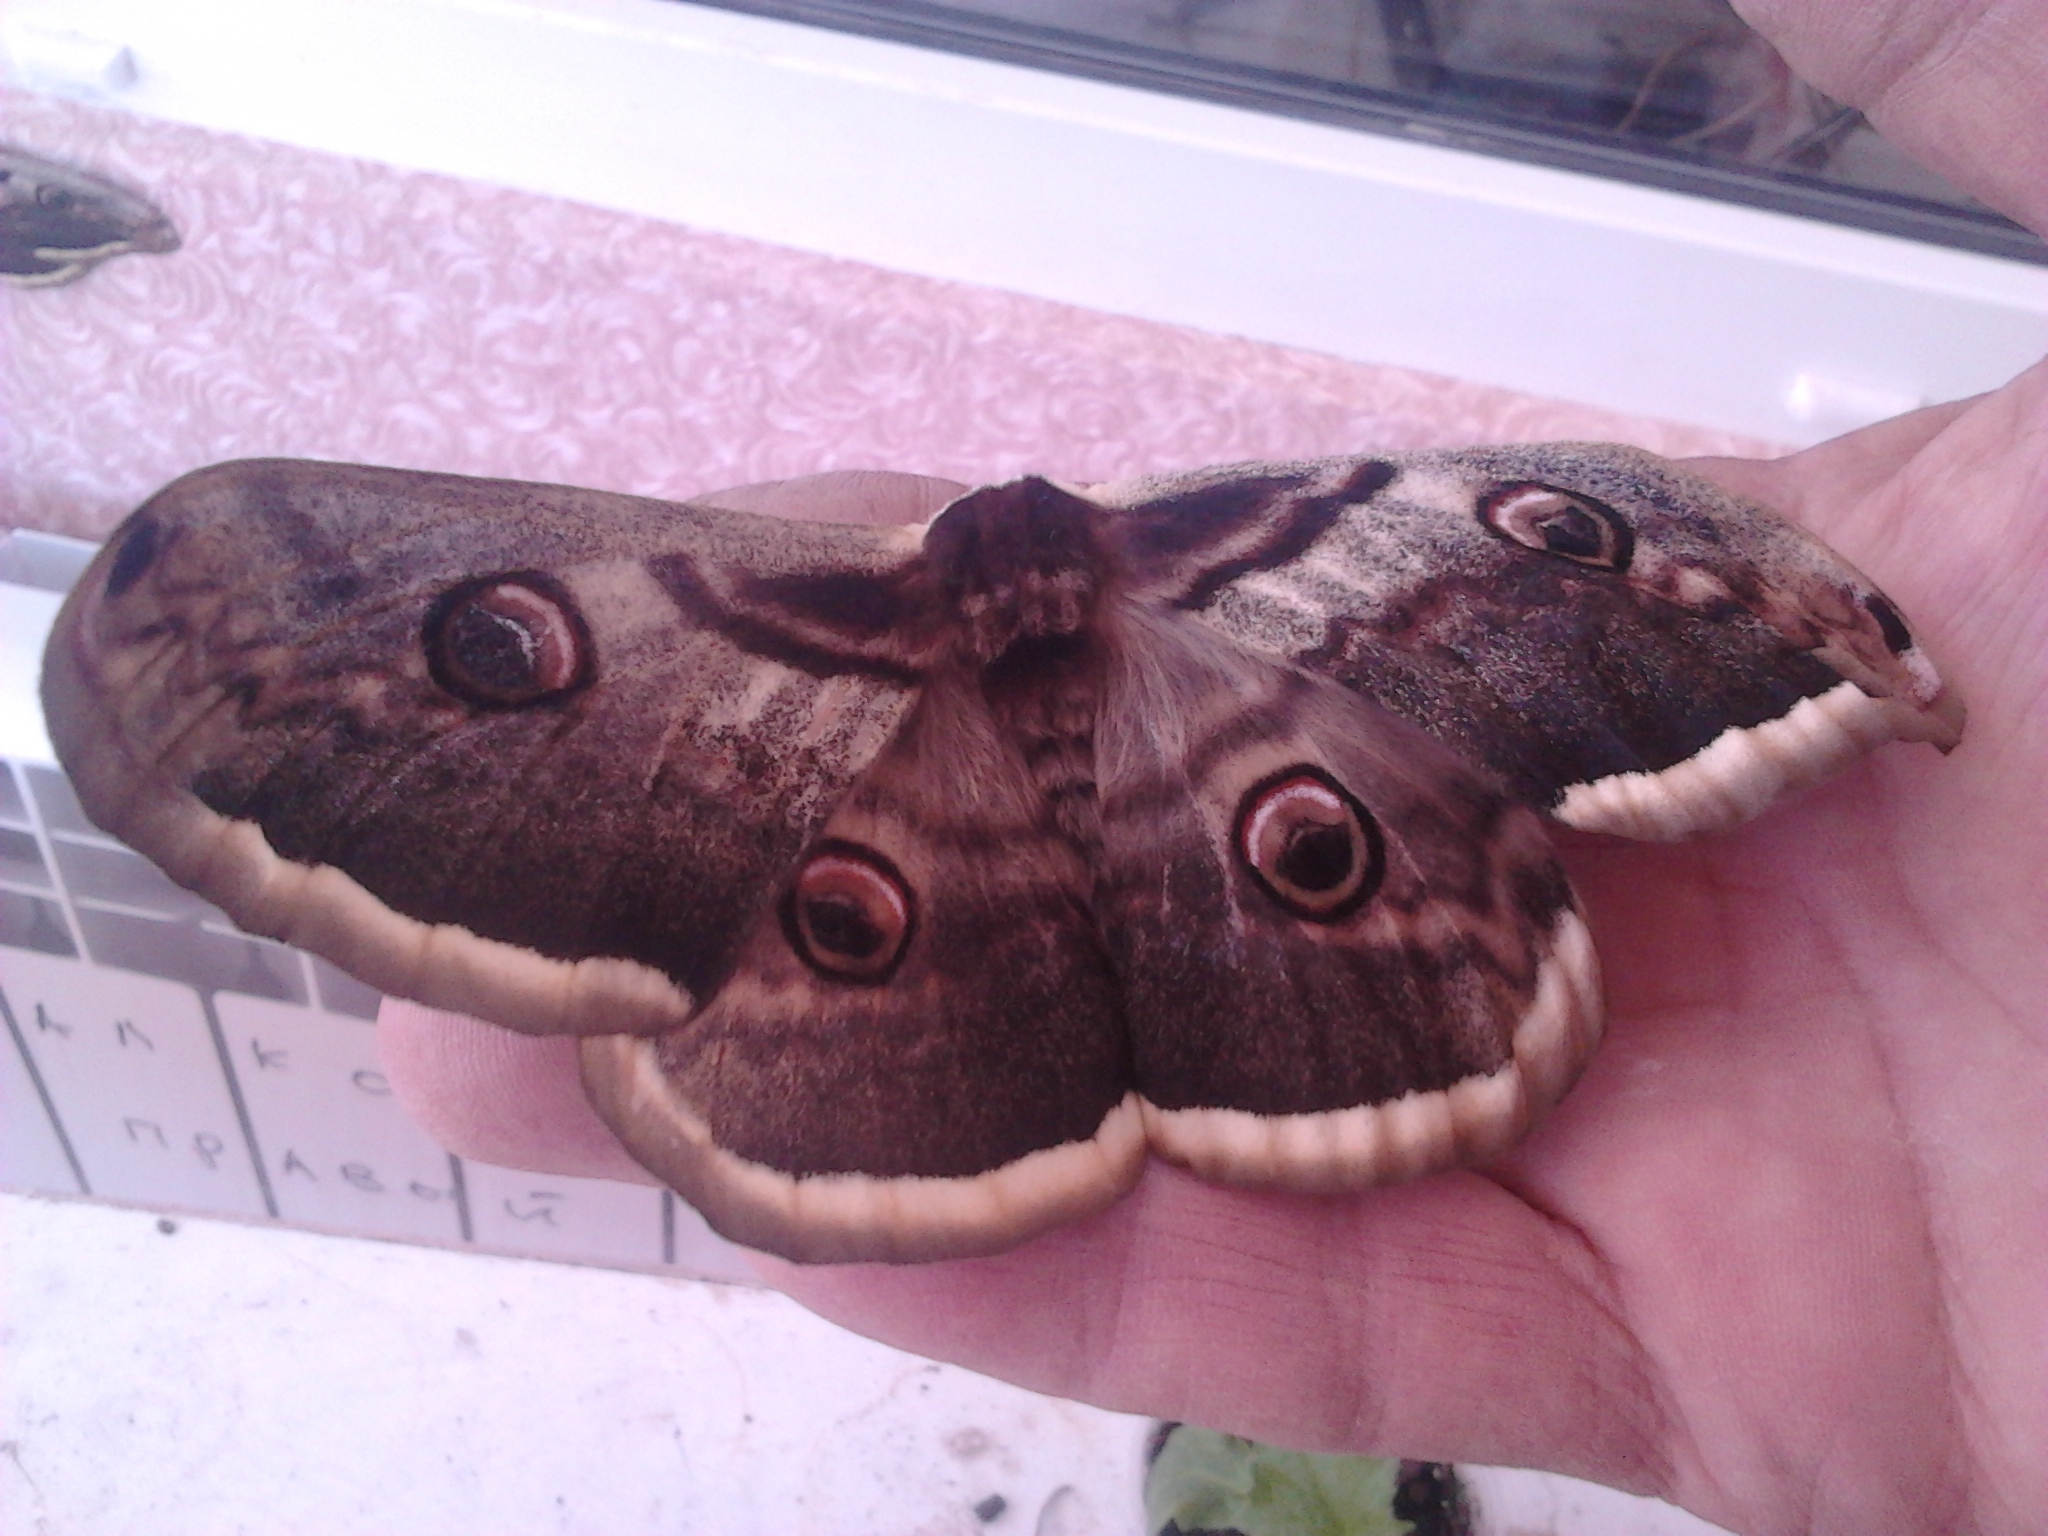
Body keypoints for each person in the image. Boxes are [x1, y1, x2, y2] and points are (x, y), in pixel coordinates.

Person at [379, 3, 2048, 1528]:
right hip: (1236, 770)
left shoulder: (784, 610)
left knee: (840, 917)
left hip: (1002, 828)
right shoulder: (1288, 539)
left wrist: (1798, 616)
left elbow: (1600, 550)